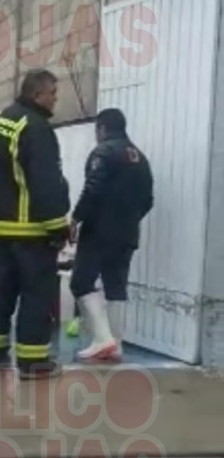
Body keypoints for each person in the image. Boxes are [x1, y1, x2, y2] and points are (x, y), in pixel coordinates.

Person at [0, 69, 70, 378]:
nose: (55, 100)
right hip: (32, 234)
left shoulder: (0, 122)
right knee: (36, 297)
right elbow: (46, 182)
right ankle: (32, 363)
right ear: (37, 94)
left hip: (0, 232)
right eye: (53, 93)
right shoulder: (37, 128)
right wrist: (58, 228)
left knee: (0, 295)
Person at [70, 108, 154, 361]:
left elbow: (93, 189)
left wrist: (76, 218)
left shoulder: (103, 152)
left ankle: (102, 338)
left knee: (80, 282)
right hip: (127, 233)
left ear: (102, 128)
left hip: (99, 232)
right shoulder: (141, 158)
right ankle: (115, 344)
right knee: (116, 286)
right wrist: (128, 220)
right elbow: (148, 200)